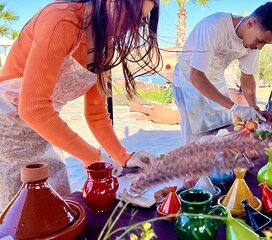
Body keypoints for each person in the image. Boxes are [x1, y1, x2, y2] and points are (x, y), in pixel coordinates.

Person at [0, 0, 161, 211]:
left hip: (46, 133)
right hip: (6, 133)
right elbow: (33, 108)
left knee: (57, 212)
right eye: (130, 15)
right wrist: (93, 157)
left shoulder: (106, 44)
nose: (131, 26)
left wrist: (123, 157)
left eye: (138, 21)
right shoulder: (62, 19)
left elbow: (96, 114)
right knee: (19, 217)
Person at [172, 1, 272, 143]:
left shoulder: (253, 43)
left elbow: (247, 77)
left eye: (265, 43)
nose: (260, 47)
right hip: (189, 82)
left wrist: (254, 109)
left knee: (226, 137)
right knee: (198, 145)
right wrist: (235, 107)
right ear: (250, 24)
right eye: (260, 41)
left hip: (216, 82)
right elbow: (196, 76)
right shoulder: (214, 27)